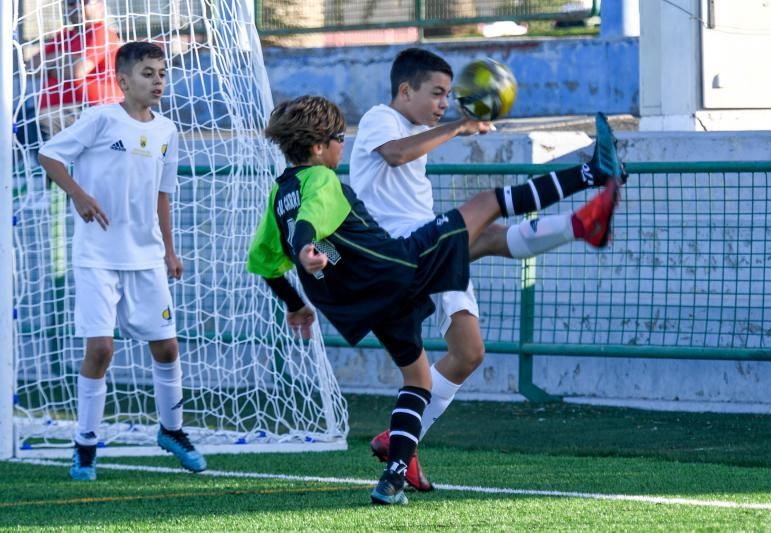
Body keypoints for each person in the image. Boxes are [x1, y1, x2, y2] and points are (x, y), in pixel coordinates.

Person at [247, 95, 622, 505]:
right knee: (486, 204)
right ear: (319, 147)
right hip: (397, 268)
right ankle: (591, 173)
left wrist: (295, 303)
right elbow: (308, 224)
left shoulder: (277, 196)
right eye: (340, 139)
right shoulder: (319, 179)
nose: (343, 148)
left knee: (419, 379)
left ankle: (392, 480)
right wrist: (305, 249)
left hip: (363, 303)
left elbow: (264, 261)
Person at [348, 47, 624, 491]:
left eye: (449, 95)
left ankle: (403, 441)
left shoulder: (415, 127)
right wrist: (457, 126)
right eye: (437, 93)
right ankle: (589, 186)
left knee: (469, 352)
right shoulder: (384, 118)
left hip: (427, 248)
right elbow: (396, 154)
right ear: (405, 90)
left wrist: (449, 124)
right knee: (486, 214)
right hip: (401, 250)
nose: (444, 102)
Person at [38, 41, 206, 481]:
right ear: (123, 81)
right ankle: (86, 447)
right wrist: (79, 195)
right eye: (148, 74)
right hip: (97, 256)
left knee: (167, 347)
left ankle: (172, 431)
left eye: (162, 74)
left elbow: (162, 194)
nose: (157, 82)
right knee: (101, 349)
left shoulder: (167, 131)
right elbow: (49, 155)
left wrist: (169, 250)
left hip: (147, 256)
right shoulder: (100, 119)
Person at [32, 0, 123, 140]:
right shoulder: (62, 36)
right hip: (59, 112)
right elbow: (32, 67)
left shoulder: (102, 33)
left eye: (84, 2)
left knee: (42, 122)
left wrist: (52, 64)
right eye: (71, 4)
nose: (77, 7)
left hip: (93, 111)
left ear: (101, 5)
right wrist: (67, 59)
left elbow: (77, 71)